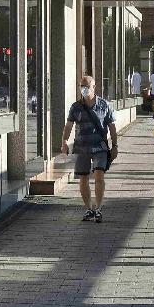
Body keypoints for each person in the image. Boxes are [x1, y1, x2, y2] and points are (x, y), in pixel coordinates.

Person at [61, 75, 118, 223]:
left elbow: (112, 127)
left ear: (94, 87)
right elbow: (68, 125)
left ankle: (98, 208)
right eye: (81, 86)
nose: (84, 89)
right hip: (82, 147)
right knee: (83, 178)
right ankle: (89, 208)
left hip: (100, 146)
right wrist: (64, 141)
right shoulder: (75, 106)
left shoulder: (104, 105)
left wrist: (115, 146)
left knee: (99, 175)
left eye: (86, 86)